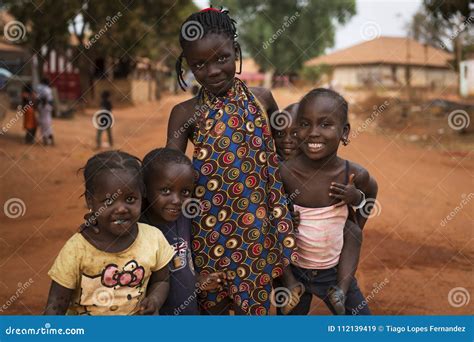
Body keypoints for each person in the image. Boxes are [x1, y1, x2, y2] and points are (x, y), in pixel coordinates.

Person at [166, 7, 298, 315]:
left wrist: (293, 202)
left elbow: (283, 151)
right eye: (199, 64)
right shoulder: (185, 114)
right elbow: (167, 173)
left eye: (222, 58)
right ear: (187, 65)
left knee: (256, 311)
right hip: (207, 234)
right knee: (212, 308)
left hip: (257, 231)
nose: (212, 71)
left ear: (235, 52)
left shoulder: (262, 98)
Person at [280, 88, 378, 315]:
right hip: (296, 271)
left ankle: (341, 291)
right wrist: (285, 216)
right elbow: (270, 209)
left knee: (363, 322)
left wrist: (357, 202)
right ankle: (289, 283)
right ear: (296, 131)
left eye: (325, 125)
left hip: (335, 272)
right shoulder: (284, 173)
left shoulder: (352, 174)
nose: (313, 133)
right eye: (305, 124)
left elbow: (371, 190)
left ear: (344, 132)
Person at [44, 151, 175, 315]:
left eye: (130, 199)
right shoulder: (76, 249)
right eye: (108, 201)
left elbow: (161, 280)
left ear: (142, 196)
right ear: (90, 201)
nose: (121, 209)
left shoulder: (153, 239)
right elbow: (56, 305)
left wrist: (155, 300)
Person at [140, 148, 227, 315]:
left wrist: (198, 281)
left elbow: (181, 267)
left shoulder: (185, 219)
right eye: (165, 190)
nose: (176, 200)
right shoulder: (140, 228)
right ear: (144, 189)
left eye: (185, 192)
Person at [36, 77, 54, 146]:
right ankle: (49, 138)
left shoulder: (40, 87)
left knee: (43, 123)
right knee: (48, 122)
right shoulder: (48, 89)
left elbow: (42, 98)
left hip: (43, 106)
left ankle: (46, 139)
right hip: (47, 107)